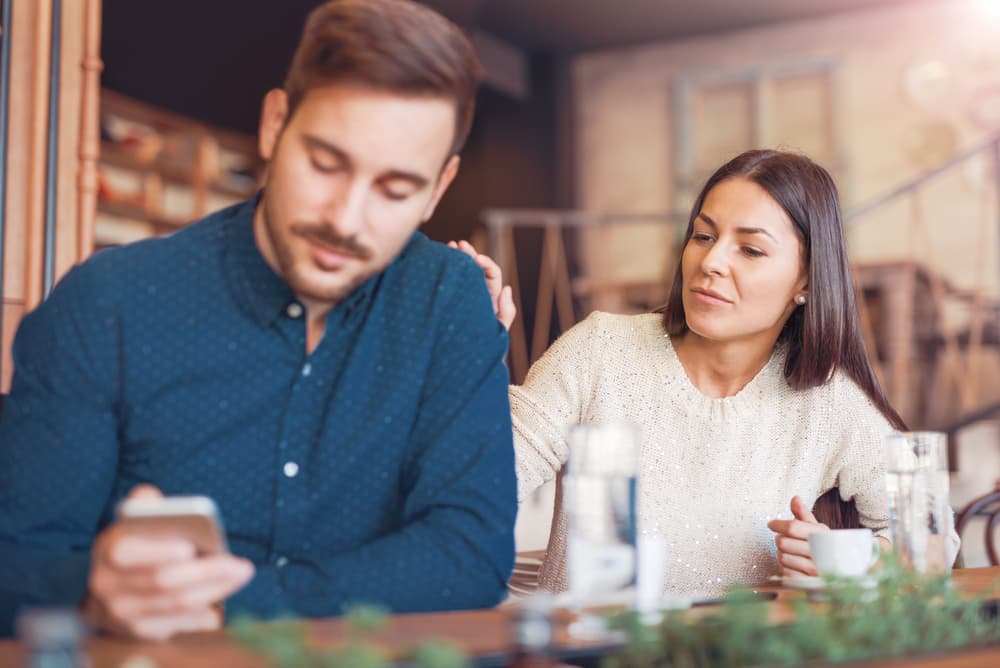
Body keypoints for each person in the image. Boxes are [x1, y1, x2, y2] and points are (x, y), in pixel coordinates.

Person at [0, 0, 517, 640]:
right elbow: (17, 562)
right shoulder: (104, 305)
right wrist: (89, 590)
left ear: (438, 188)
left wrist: (233, 602)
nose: (345, 219)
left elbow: (471, 554)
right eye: (325, 163)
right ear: (275, 124)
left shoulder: (449, 301)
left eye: (394, 189)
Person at [455, 149, 960, 599]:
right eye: (703, 235)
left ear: (806, 280)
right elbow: (479, 483)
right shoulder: (600, 350)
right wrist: (468, 360)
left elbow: (934, 542)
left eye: (750, 249)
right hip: (586, 653)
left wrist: (847, 561)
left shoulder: (827, 402)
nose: (711, 261)